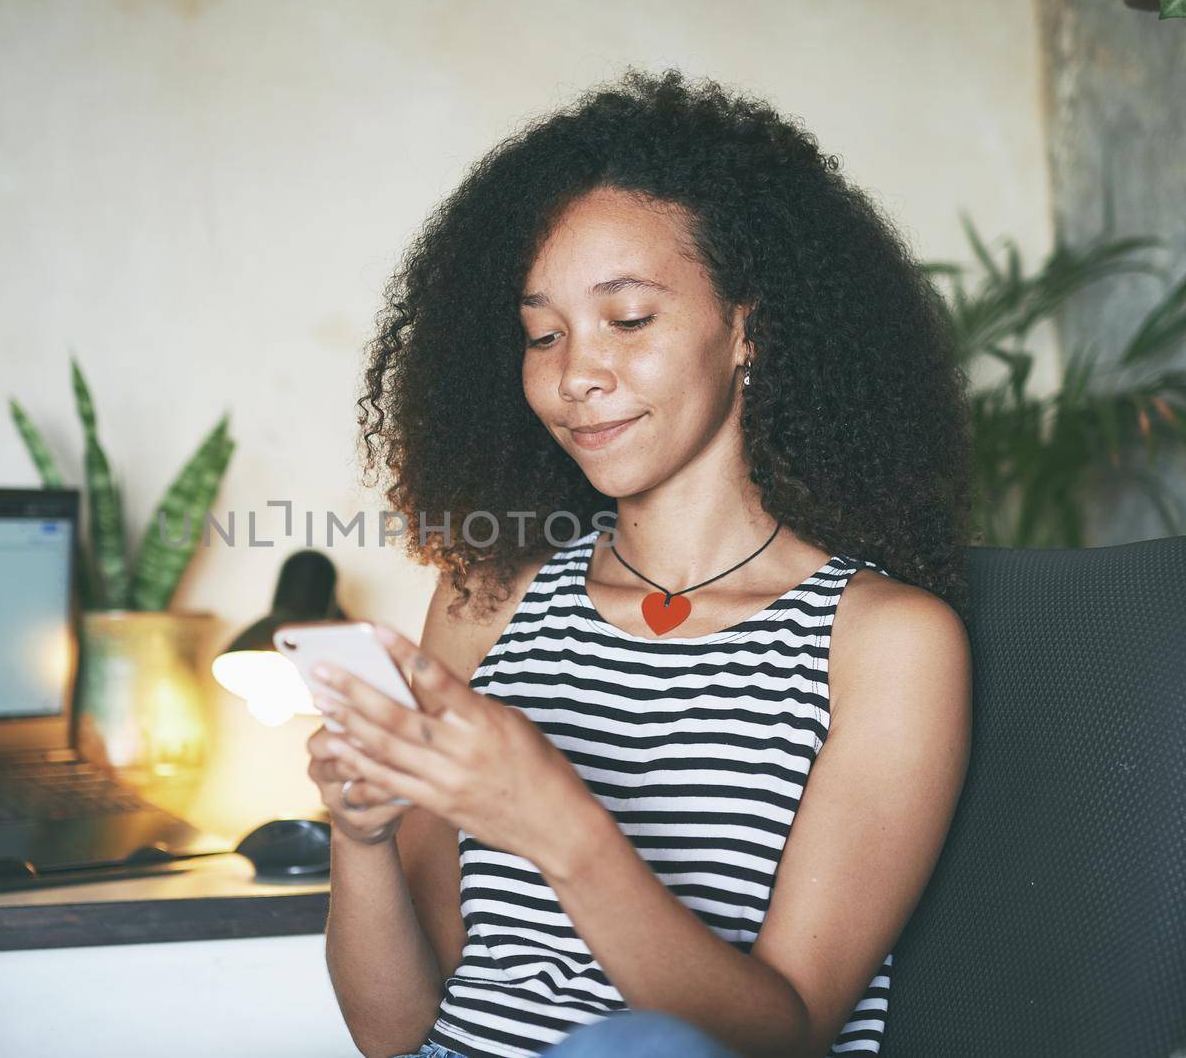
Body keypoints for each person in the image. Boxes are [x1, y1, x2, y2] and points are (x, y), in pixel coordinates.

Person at [308, 67, 974, 1058]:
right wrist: (359, 837)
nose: (576, 372)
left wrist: (554, 821)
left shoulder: (883, 641)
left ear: (749, 327)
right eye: (544, 333)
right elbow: (395, 1028)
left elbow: (782, 1032)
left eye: (628, 318)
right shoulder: (491, 599)